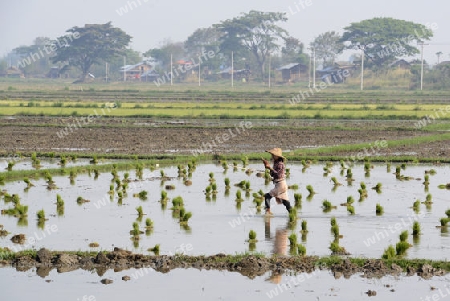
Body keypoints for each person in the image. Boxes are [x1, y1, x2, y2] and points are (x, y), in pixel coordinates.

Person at [262, 148, 291, 214]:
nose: (272, 156)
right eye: (272, 154)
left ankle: (268, 212)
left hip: (281, 185)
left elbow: (278, 174)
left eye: (273, 155)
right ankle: (292, 213)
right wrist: (267, 167)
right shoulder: (276, 163)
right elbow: (272, 174)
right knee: (285, 202)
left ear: (277, 156)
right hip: (280, 184)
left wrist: (269, 167)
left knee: (267, 196)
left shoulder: (280, 164)